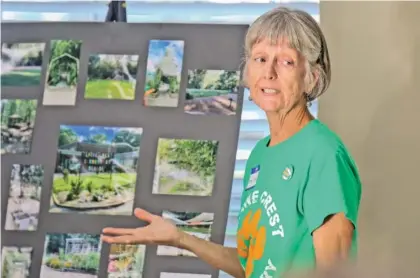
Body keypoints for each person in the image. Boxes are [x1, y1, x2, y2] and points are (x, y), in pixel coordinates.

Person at [101, 7, 362, 278]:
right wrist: (179, 238)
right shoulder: (261, 154)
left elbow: (335, 272)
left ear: (311, 77)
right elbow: (251, 266)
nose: (269, 72)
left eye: (286, 62)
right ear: (247, 72)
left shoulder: (323, 155)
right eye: (260, 58)